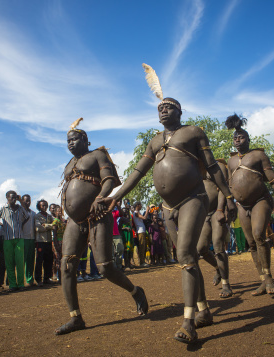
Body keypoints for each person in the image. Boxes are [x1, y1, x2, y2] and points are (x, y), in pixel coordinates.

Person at [100, 95, 236, 343]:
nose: (163, 110)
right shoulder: (154, 141)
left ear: (180, 112)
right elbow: (138, 171)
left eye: (169, 107)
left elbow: (213, 166)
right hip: (166, 207)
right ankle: (204, 310)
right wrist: (116, 196)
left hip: (193, 198)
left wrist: (228, 196)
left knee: (185, 254)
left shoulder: (194, 132)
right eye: (160, 107)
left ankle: (188, 323)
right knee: (187, 258)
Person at [54, 118, 148, 336]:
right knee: (66, 265)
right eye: (68, 140)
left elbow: (110, 180)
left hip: (97, 216)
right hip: (75, 222)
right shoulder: (70, 164)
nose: (70, 143)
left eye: (74, 139)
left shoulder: (97, 154)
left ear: (85, 139)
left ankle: (135, 291)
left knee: (105, 267)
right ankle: (75, 317)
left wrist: (100, 196)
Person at [225, 114, 274, 296]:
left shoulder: (258, 155)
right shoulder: (230, 161)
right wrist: (227, 205)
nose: (238, 140)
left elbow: (273, 179)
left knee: (258, 235)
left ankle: (269, 277)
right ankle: (262, 280)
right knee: (251, 243)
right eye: (235, 138)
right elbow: (227, 186)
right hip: (241, 206)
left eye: (241, 137)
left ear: (248, 139)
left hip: (260, 201)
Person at [196, 159, 233, 298]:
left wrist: (220, 209)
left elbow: (223, 188)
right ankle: (218, 268)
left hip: (217, 211)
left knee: (218, 245)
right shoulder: (195, 166)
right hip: (204, 214)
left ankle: (226, 284)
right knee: (201, 249)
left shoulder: (218, 166)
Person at [0, 191, 29, 291]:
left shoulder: (20, 208)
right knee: (9, 262)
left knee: (19, 262)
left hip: (19, 238)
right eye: (11, 197)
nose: (13, 199)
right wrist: (2, 224)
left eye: (15, 197)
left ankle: (21, 284)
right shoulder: (3, 209)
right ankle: (12, 284)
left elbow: (27, 216)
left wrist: (21, 224)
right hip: (7, 239)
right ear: (7, 198)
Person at [34, 200, 54, 286]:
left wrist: (45, 225)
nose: (44, 207)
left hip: (49, 241)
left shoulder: (49, 216)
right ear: (39, 206)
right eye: (42, 206)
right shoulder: (37, 216)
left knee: (49, 260)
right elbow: (38, 227)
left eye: (46, 205)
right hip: (40, 241)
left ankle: (47, 278)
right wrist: (50, 226)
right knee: (39, 260)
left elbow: (54, 225)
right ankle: (38, 279)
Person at [20, 194, 37, 286]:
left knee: (31, 260)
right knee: (22, 260)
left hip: (32, 239)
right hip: (24, 239)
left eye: (29, 201)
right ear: (22, 201)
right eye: (26, 201)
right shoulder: (20, 213)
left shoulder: (33, 213)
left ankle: (29, 280)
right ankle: (20, 281)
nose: (28, 203)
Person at [132, 202, 150, 267]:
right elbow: (144, 218)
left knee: (144, 246)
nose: (141, 206)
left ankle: (143, 261)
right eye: (140, 205)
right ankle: (142, 262)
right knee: (142, 247)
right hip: (140, 232)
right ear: (137, 205)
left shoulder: (136, 213)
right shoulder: (136, 213)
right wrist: (147, 210)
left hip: (142, 231)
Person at [52, 205, 66, 283]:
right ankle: (60, 278)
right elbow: (54, 234)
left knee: (63, 260)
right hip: (58, 242)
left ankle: (63, 277)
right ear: (55, 212)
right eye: (58, 211)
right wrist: (56, 244)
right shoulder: (55, 221)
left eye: (61, 211)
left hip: (64, 242)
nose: (60, 212)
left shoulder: (63, 221)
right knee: (58, 260)